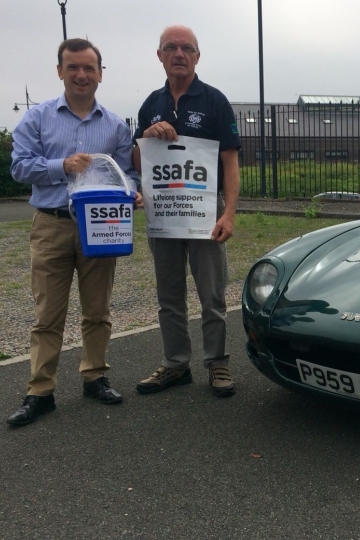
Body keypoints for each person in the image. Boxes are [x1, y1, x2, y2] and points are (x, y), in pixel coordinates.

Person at [7, 38, 141, 426]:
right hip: (52, 223)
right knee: (48, 314)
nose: (81, 75)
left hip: (101, 224)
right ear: (60, 71)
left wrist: (131, 194)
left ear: (100, 73)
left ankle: (95, 375)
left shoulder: (115, 125)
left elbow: (125, 174)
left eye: (88, 68)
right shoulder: (38, 118)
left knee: (97, 309)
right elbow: (19, 167)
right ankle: (40, 390)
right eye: (73, 67)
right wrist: (62, 165)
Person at [133, 25, 241, 397]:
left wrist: (228, 214)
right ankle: (176, 365)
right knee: (169, 296)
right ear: (160, 55)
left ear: (197, 56)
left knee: (212, 294)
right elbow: (138, 161)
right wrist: (147, 134)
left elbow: (230, 163)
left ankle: (218, 362)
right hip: (163, 215)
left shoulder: (214, 101)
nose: (179, 54)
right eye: (171, 48)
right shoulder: (150, 104)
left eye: (187, 48)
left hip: (203, 214)